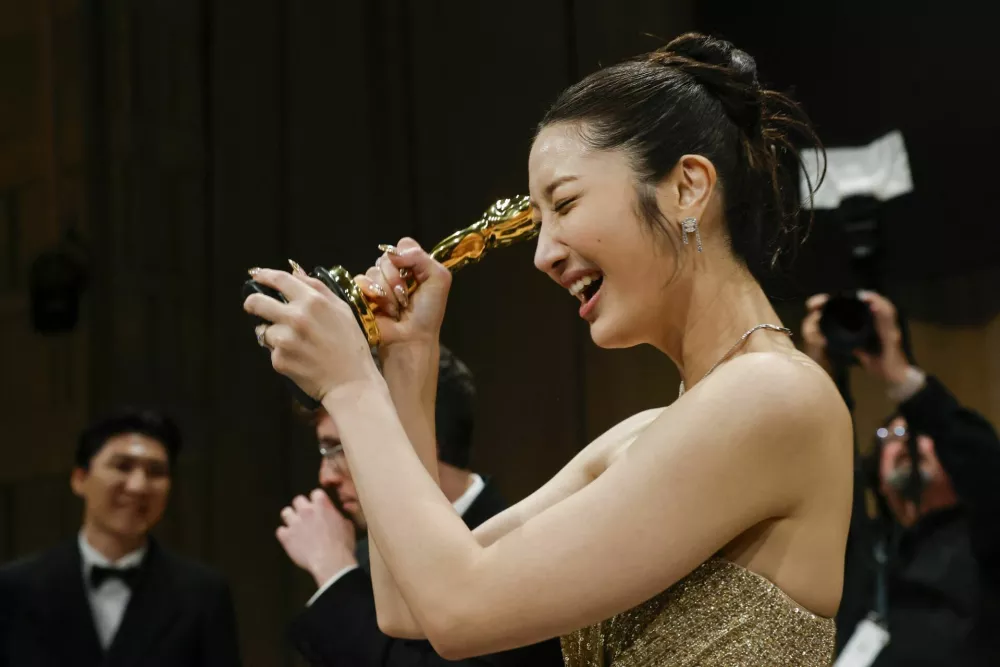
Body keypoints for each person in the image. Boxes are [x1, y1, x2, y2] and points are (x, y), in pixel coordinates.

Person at [245, 32, 853, 666]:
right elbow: (410, 609)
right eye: (539, 221)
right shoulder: (644, 435)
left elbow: (460, 611)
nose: (543, 254)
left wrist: (349, 386)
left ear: (687, 187)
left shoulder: (773, 396)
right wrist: (407, 356)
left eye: (565, 203)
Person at [277, 347, 562, 665]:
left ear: (416, 440)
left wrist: (335, 575)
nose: (325, 476)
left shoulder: (518, 549)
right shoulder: (362, 558)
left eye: (339, 448)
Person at [802, 291, 1000, 666]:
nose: (907, 444)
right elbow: (819, 469)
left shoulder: (984, 539)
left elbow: (983, 460)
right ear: (877, 467)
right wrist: (821, 377)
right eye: (891, 436)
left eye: (920, 434)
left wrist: (899, 376)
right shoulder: (864, 543)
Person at [0, 408, 242, 667]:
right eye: (122, 466)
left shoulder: (203, 594)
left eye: (156, 471)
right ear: (80, 479)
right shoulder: (15, 587)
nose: (138, 486)